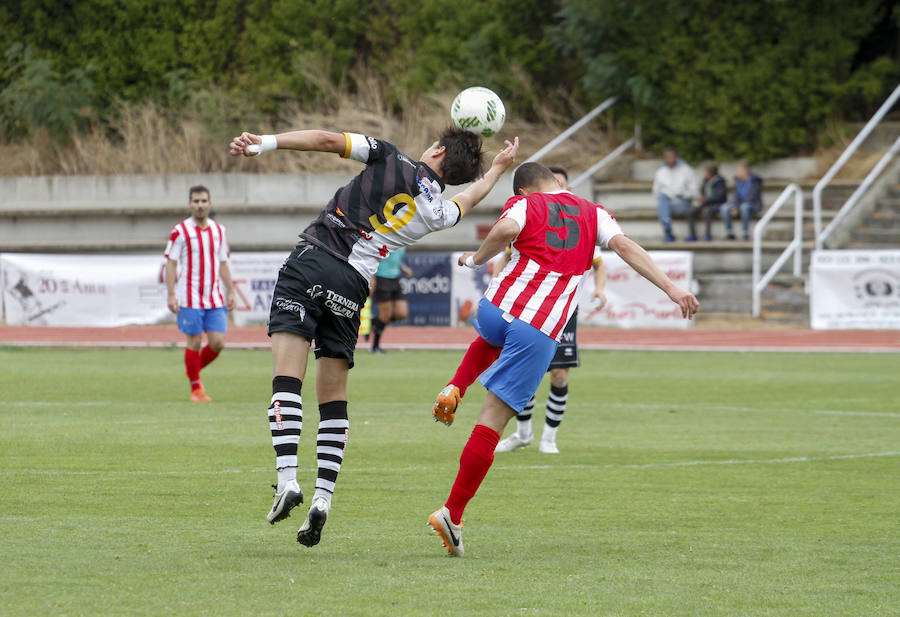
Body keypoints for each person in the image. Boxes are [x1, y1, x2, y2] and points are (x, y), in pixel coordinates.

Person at [230, 127, 519, 547]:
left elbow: (329, 140)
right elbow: (469, 200)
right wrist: (495, 171)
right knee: (333, 397)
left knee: (286, 378)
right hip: (352, 285)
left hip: (313, 260)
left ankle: (288, 478)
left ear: (437, 149)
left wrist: (267, 142)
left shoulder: (388, 156)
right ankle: (323, 498)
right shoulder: (436, 211)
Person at [427, 162, 699, 556]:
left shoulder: (523, 205)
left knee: (491, 336)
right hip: (537, 327)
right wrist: (671, 288)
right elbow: (624, 247)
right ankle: (452, 513)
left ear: (521, 191)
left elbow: (504, 230)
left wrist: (475, 260)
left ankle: (457, 384)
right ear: (557, 182)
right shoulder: (593, 212)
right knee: (492, 421)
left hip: (496, 306)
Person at [433, 166, 608, 455]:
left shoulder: (568, 215)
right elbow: (506, 250)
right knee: (508, 391)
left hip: (522, 307)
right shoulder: (561, 212)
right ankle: (523, 435)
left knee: (543, 367)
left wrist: (479, 266)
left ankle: (459, 387)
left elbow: (598, 262)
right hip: (545, 315)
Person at [164, 185, 235, 403]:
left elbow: (223, 262)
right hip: (190, 297)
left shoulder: (219, 231)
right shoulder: (180, 231)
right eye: (196, 201)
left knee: (218, 343)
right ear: (189, 204)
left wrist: (230, 290)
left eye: (204, 201)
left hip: (214, 297)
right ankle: (196, 389)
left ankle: (192, 370)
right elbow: (171, 263)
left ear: (210, 204)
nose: (200, 205)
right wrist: (171, 294)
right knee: (193, 343)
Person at [370, 245, 413, 353]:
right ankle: (375, 347)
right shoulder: (386, 237)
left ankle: (374, 323)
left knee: (401, 313)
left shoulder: (403, 239)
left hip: (395, 278)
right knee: (385, 315)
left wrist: (403, 268)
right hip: (381, 278)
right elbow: (373, 258)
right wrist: (372, 277)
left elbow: (394, 258)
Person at [652, 147, 698, 242]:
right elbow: (655, 191)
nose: (670, 160)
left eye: (671, 157)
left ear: (676, 157)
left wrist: (681, 193)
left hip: (683, 201)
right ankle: (667, 228)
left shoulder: (686, 170)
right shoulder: (661, 172)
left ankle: (668, 231)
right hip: (666, 202)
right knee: (662, 199)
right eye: (667, 157)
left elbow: (694, 190)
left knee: (663, 206)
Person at [721, 162, 763, 240]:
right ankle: (730, 233)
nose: (737, 173)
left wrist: (738, 207)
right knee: (724, 207)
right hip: (740, 205)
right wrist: (736, 207)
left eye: (739, 171)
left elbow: (752, 197)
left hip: (753, 204)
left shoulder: (755, 181)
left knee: (744, 207)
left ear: (745, 171)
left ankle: (745, 233)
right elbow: (736, 197)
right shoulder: (738, 181)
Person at [686, 164, 727, 242]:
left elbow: (720, 197)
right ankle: (692, 235)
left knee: (706, 211)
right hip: (705, 203)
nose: (704, 174)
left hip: (716, 204)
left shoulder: (720, 182)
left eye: (705, 172)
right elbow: (703, 193)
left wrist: (707, 199)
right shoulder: (705, 181)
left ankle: (707, 234)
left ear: (710, 173)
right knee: (690, 211)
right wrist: (700, 198)